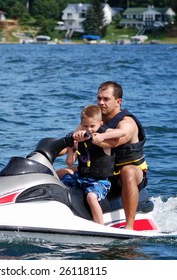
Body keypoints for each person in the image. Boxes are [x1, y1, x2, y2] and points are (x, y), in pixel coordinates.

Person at [68, 81, 149, 230]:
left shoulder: (127, 123)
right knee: (63, 172)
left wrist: (92, 138)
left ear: (118, 101)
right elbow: (74, 139)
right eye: (99, 98)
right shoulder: (94, 121)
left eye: (106, 99)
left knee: (128, 172)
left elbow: (114, 142)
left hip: (128, 173)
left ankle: (129, 227)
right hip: (102, 171)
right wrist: (52, 149)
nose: (101, 102)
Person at [60, 104, 125, 224]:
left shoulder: (104, 134)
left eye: (92, 126)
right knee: (59, 184)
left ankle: (100, 226)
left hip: (100, 181)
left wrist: (102, 136)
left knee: (91, 197)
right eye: (85, 126)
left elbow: (121, 133)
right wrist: (71, 149)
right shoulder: (79, 139)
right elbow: (70, 163)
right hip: (81, 177)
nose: (89, 129)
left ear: (100, 123)